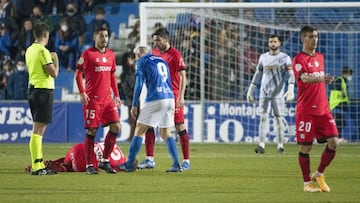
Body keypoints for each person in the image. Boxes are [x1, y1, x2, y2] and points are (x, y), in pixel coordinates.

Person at [117, 46, 182, 173]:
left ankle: (129, 164)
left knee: (139, 129)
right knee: (165, 133)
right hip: (169, 98)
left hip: (156, 98)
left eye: (136, 56)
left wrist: (135, 104)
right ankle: (176, 164)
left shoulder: (142, 61)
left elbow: (139, 83)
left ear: (139, 54)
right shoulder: (162, 61)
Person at [292, 25, 338, 192]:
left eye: (316, 36)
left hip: (323, 109)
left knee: (333, 143)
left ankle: (318, 174)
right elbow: (304, 78)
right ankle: (307, 184)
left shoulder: (320, 56)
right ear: (303, 39)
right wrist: (320, 78)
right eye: (311, 36)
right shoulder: (298, 59)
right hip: (306, 110)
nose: (315, 39)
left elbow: (318, 79)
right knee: (306, 147)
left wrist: (322, 79)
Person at [137, 28, 190, 170]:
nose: (156, 43)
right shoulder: (154, 53)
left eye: (158, 40)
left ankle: (186, 161)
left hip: (173, 96)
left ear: (166, 39)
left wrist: (181, 96)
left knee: (179, 126)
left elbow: (183, 76)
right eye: (154, 41)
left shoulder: (175, 55)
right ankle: (149, 159)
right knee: (149, 125)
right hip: (157, 96)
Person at [75, 27, 122, 175]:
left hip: (108, 100)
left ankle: (105, 161)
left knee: (116, 127)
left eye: (106, 36)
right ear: (95, 38)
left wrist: (117, 95)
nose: (104, 39)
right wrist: (82, 92)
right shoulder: (87, 54)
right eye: (101, 36)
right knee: (92, 131)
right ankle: (89, 164)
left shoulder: (111, 55)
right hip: (93, 100)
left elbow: (112, 76)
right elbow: (78, 74)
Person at [246, 34, 295, 154]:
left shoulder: (285, 58)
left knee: (279, 119)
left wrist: (290, 89)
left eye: (274, 42)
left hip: (278, 94)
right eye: (270, 42)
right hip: (264, 93)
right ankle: (261, 145)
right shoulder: (263, 57)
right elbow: (258, 74)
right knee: (263, 118)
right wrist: (250, 90)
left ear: (279, 43)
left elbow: (291, 74)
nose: (272, 44)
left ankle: (280, 145)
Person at [26, 22, 59, 175]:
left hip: (32, 89)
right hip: (43, 91)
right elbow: (53, 73)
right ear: (46, 35)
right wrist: (56, 59)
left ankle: (38, 164)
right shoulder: (43, 51)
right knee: (39, 130)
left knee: (36, 129)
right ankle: (37, 166)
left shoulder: (29, 50)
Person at [25, 142, 127, 173]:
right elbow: (101, 168)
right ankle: (52, 167)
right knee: (68, 169)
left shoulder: (114, 144)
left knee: (66, 162)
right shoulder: (121, 163)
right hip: (84, 161)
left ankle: (42, 165)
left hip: (77, 148)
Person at [329, 67, 353, 143]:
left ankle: (336, 138)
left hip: (340, 105)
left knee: (341, 122)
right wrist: (341, 91)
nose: (350, 77)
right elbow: (334, 86)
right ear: (346, 73)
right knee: (338, 122)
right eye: (350, 74)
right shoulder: (339, 79)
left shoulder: (342, 80)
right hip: (336, 104)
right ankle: (335, 138)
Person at [119, 50, 137, 142]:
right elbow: (125, 87)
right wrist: (133, 94)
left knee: (139, 119)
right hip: (131, 98)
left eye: (133, 58)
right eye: (130, 59)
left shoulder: (137, 71)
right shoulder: (125, 74)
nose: (132, 60)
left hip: (139, 98)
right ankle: (132, 138)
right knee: (132, 119)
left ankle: (135, 137)